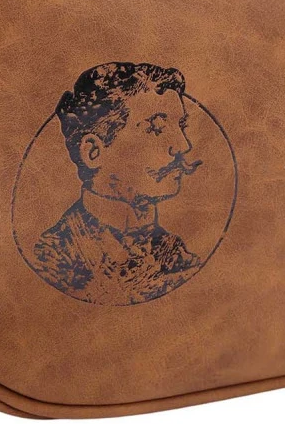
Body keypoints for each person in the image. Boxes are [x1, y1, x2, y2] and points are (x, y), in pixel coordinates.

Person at [34, 62, 203, 304]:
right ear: (93, 152)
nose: (183, 146)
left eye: (181, 126)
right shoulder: (55, 255)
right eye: (156, 127)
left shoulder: (177, 253)